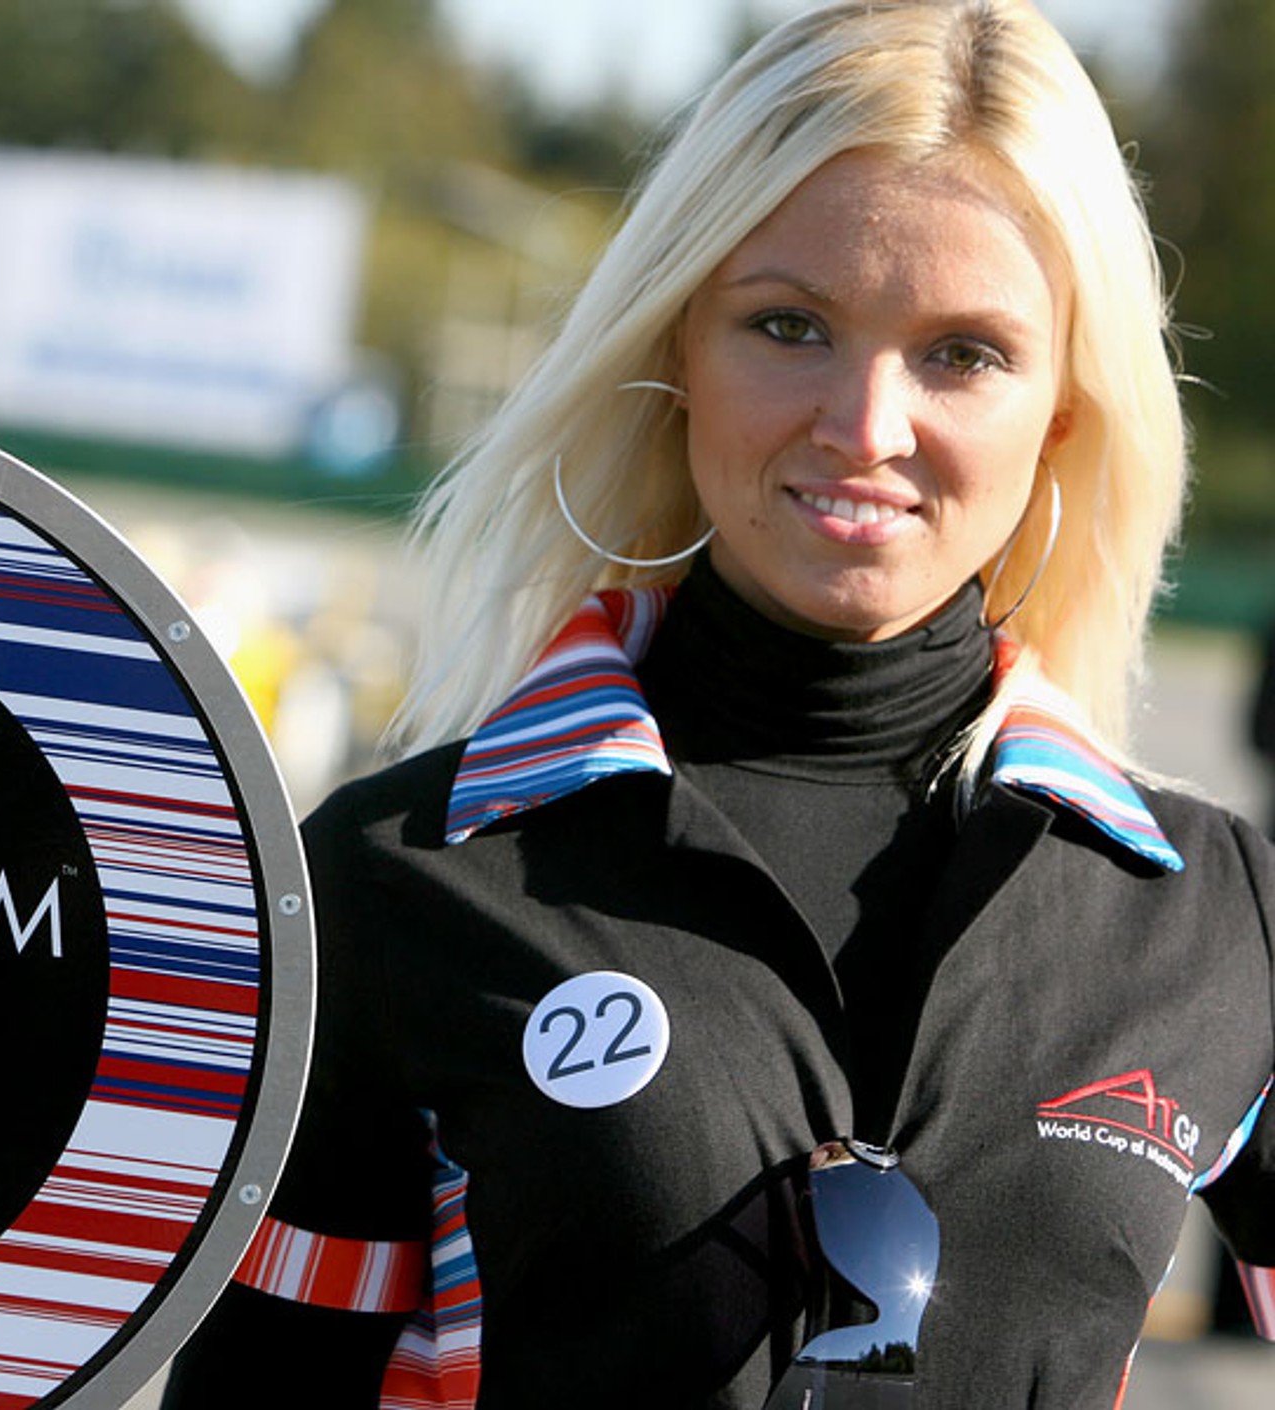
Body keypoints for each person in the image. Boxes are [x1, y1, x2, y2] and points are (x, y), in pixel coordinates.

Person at [162, 1, 1275, 1405]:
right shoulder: (399, 881)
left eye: (965, 353)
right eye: (790, 325)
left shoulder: (1217, 915)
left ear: (1062, 402)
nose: (866, 424)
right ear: (677, 346)